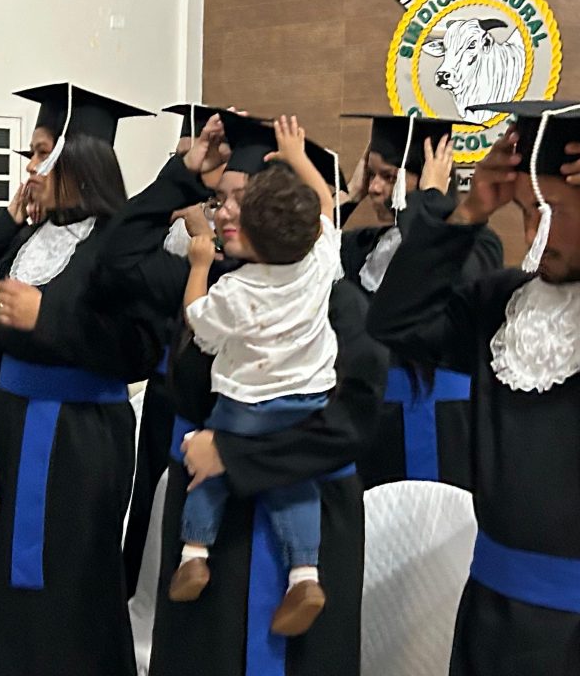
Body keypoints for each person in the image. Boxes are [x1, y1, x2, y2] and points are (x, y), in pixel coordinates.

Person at [99, 110, 386, 676]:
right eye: (219, 197)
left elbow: (351, 425)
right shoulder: (220, 283)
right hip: (214, 525)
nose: (222, 211)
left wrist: (234, 454)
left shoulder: (336, 302)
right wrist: (182, 176)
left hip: (307, 512)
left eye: (238, 198)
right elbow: (114, 258)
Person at [366, 100, 580, 676]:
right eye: (528, 212)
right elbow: (395, 324)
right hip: (490, 614)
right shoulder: (501, 303)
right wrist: (467, 213)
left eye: (556, 211)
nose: (537, 233)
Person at [0, 82, 160, 676]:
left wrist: (49, 318)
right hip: (16, 426)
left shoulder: (119, 245)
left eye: (42, 150)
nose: (32, 165)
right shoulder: (30, 238)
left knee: (71, 581)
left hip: (82, 436)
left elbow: (139, 352)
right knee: (12, 584)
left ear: (79, 157)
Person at [170, 116, 340, 640]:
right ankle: (305, 573)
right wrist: (298, 158)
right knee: (294, 482)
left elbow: (198, 323)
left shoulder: (237, 290)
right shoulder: (319, 263)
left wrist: (199, 266)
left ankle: (195, 552)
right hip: (307, 404)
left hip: (244, 407)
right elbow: (328, 207)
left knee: (208, 464)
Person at [340, 114, 503, 489]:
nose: (377, 188)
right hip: (372, 421)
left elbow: (448, 279)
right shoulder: (365, 246)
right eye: (373, 175)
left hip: (441, 421)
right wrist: (350, 193)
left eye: (391, 177)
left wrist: (430, 202)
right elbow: (305, 250)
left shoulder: (475, 242)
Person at [121, 103, 225, 599]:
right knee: (147, 492)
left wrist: (203, 238)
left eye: (199, 158)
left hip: (211, 394)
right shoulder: (164, 227)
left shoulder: (224, 233)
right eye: (181, 156)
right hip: (165, 382)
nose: (191, 167)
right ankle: (133, 587)